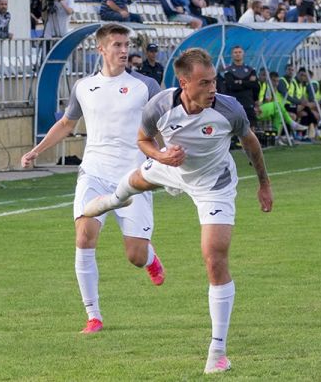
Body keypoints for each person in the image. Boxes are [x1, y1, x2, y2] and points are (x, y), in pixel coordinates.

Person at [84, 48, 273, 374]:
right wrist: (160, 156)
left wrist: (264, 184)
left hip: (214, 182)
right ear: (184, 82)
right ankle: (115, 199)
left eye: (213, 81)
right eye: (204, 83)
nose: (212, 89)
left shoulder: (228, 108)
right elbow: (142, 139)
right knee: (132, 183)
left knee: (214, 257)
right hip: (170, 167)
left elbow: (251, 142)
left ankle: (218, 352)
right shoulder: (160, 106)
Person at [20, 23, 166, 335]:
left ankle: (151, 259)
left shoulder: (146, 86)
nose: (124, 50)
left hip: (134, 176)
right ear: (101, 49)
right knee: (84, 236)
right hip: (94, 172)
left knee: (135, 255)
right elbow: (65, 124)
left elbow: (162, 126)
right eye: (117, 45)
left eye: (126, 44)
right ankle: (93, 315)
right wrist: (36, 151)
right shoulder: (83, 87)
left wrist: (168, 160)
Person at [222, 45, 260, 127]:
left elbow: (255, 86)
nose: (237, 54)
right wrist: (247, 82)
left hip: (248, 102)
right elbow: (231, 85)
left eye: (239, 52)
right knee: (234, 127)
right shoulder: (228, 70)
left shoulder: (251, 70)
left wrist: (239, 82)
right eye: (235, 52)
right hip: (234, 102)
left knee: (251, 127)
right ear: (232, 55)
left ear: (243, 54)